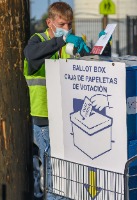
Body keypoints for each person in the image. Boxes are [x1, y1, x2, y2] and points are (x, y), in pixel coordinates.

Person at [23, 2, 90, 198]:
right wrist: (61, 41)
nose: (67, 29)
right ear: (49, 22)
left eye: (70, 24)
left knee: (67, 171)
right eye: (62, 24)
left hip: (68, 116)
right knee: (54, 171)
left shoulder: (68, 44)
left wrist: (91, 53)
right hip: (44, 117)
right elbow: (32, 55)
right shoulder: (37, 41)